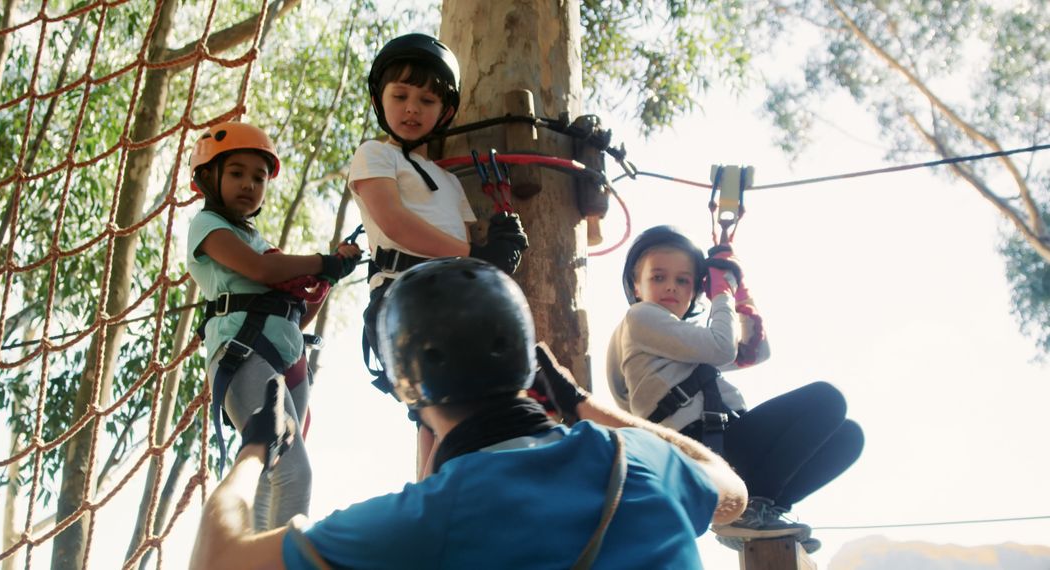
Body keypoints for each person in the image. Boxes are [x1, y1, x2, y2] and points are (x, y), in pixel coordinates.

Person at [189, 257, 748, 570]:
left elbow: (216, 562)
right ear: (528, 363)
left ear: (410, 391)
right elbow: (731, 492)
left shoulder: (422, 519)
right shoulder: (642, 459)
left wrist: (256, 447)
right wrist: (582, 403)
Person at [606, 225, 864, 553]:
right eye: (658, 277)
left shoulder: (678, 339)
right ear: (636, 286)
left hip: (722, 446)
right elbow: (723, 349)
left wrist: (741, 298)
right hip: (699, 447)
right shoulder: (640, 319)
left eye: (683, 280)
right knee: (827, 400)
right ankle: (754, 506)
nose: (671, 286)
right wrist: (722, 293)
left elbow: (753, 352)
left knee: (848, 437)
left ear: (693, 292)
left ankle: (762, 510)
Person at [186, 121, 362, 530]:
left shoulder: (257, 238)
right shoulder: (208, 227)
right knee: (292, 473)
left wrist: (327, 278)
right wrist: (323, 262)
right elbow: (261, 270)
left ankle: (258, 554)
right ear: (208, 177)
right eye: (236, 173)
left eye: (259, 178)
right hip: (244, 355)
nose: (249, 184)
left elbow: (297, 313)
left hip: (288, 360)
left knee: (269, 478)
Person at [348, 32, 529, 397]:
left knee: (462, 406)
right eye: (400, 96)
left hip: (454, 294)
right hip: (403, 290)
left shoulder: (449, 180)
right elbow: (395, 222)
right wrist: (475, 257)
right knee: (441, 407)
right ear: (378, 100)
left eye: (426, 100)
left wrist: (498, 235)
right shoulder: (375, 154)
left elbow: (465, 236)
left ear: (444, 112)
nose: (412, 108)